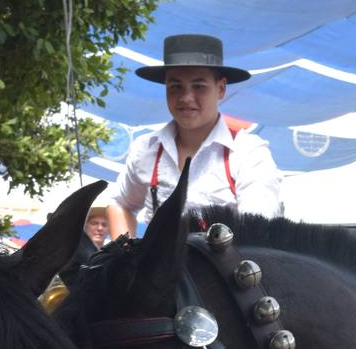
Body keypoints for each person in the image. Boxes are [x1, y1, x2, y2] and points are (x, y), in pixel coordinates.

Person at [105, 34, 282, 240]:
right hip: (158, 270)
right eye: (175, 86)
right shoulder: (147, 150)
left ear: (221, 88)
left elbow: (257, 232)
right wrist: (126, 253)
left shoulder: (248, 153)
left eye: (198, 86)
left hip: (223, 271)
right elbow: (120, 203)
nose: (186, 97)